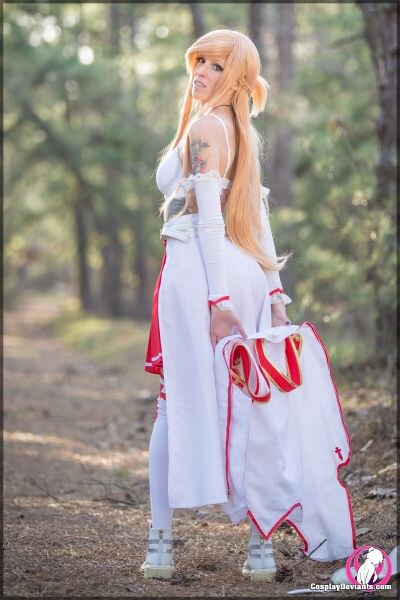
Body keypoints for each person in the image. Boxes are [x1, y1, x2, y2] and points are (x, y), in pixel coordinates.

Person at [141, 28, 294, 581]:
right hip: (241, 270)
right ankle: (261, 549)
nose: (201, 72)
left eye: (215, 65)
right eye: (199, 61)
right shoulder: (236, 130)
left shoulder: (209, 129)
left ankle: (161, 545)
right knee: (252, 402)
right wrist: (274, 292)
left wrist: (219, 301)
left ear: (236, 76)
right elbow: (259, 217)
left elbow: (210, 219)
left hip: (201, 272)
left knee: (171, 404)